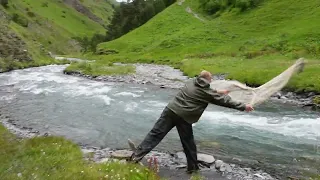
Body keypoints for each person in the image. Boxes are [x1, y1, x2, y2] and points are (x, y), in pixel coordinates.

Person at [127, 70, 254, 173]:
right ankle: (193, 169)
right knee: (188, 143)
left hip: (170, 110)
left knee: (154, 135)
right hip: (184, 117)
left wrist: (219, 91)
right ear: (209, 80)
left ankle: (135, 157)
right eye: (210, 81)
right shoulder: (207, 92)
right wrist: (244, 106)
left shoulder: (191, 82)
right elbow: (225, 101)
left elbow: (205, 91)